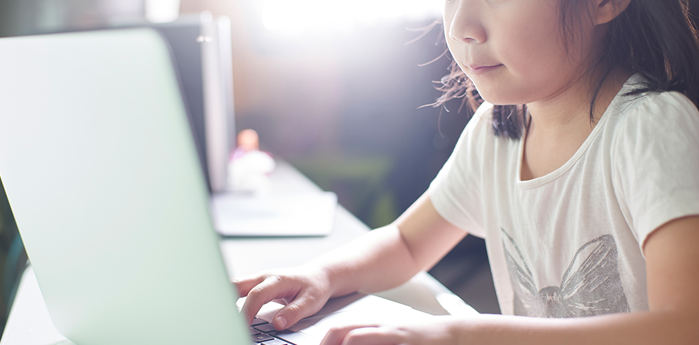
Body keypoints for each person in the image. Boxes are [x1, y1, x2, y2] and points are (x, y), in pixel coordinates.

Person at [234, 0, 699, 343]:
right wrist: (322, 276)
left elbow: (684, 324)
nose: (462, 25)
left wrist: (456, 334)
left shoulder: (652, 128)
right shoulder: (496, 133)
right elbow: (407, 242)